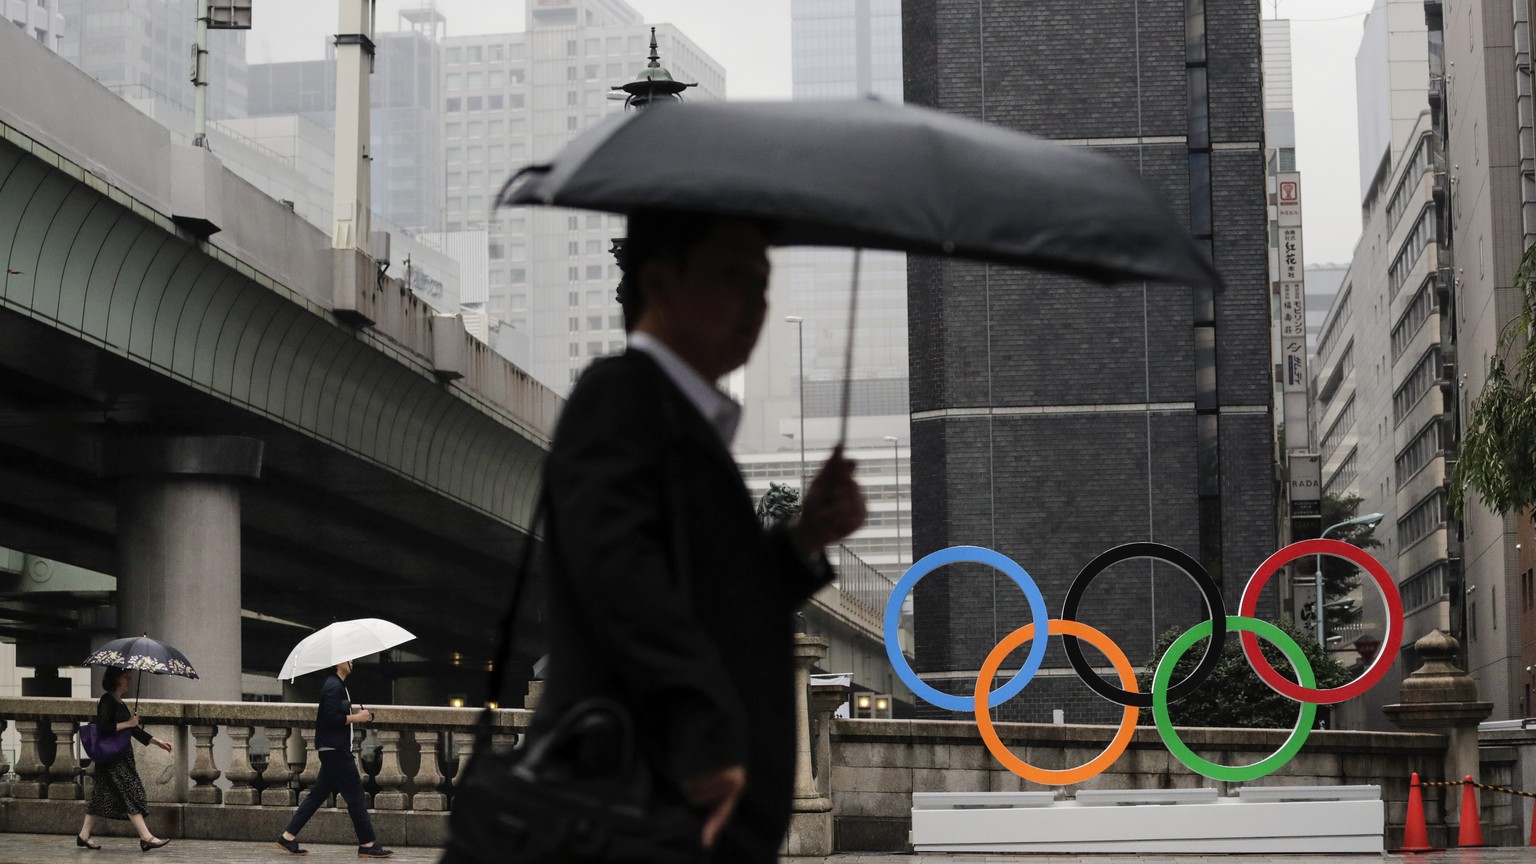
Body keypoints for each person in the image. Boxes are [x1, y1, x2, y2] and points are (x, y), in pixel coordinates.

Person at [530, 209, 868, 862]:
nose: (754, 304)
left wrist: (804, 538)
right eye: (732, 277)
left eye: (763, 284)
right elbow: (619, 579)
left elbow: (715, 600)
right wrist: (700, 741)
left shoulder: (682, 422)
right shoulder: (622, 399)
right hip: (650, 806)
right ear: (660, 283)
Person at [277, 659, 392, 858]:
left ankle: (287, 837)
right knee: (356, 796)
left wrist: (354, 714)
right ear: (338, 663)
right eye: (349, 659)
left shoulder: (337, 684)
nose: (353, 662)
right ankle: (367, 844)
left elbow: (335, 715)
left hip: (333, 749)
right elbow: (328, 719)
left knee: (318, 795)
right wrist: (357, 718)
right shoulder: (333, 686)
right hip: (336, 751)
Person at [75, 667, 173, 851]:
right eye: (125, 677)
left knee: (100, 797)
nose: (128, 680)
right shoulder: (107, 700)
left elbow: (134, 731)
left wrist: (157, 742)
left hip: (120, 756)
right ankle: (146, 837)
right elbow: (104, 727)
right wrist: (129, 723)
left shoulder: (120, 702)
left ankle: (83, 835)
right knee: (131, 792)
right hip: (113, 758)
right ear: (116, 680)